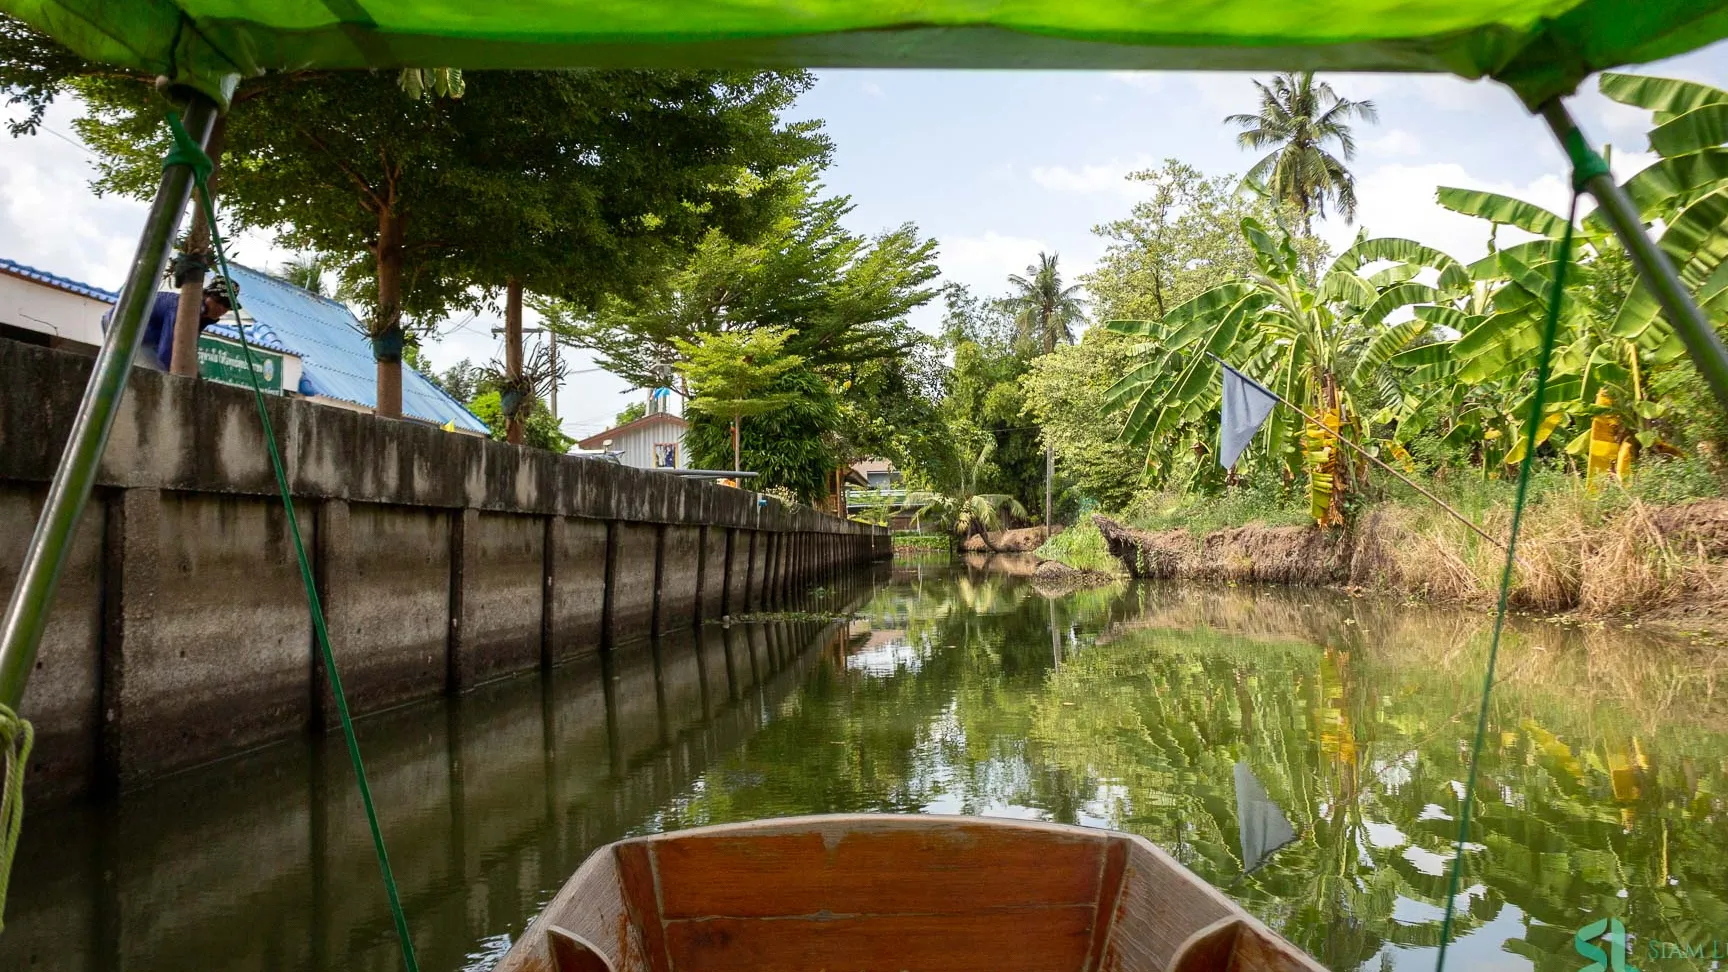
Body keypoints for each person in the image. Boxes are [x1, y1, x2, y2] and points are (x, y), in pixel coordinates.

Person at [100, 276, 239, 371]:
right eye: (218, 301)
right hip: (121, 323)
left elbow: (188, 348)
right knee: (157, 372)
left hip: (145, 337)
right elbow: (168, 349)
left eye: (227, 305)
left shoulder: (202, 318)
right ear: (205, 295)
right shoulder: (182, 308)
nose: (221, 308)